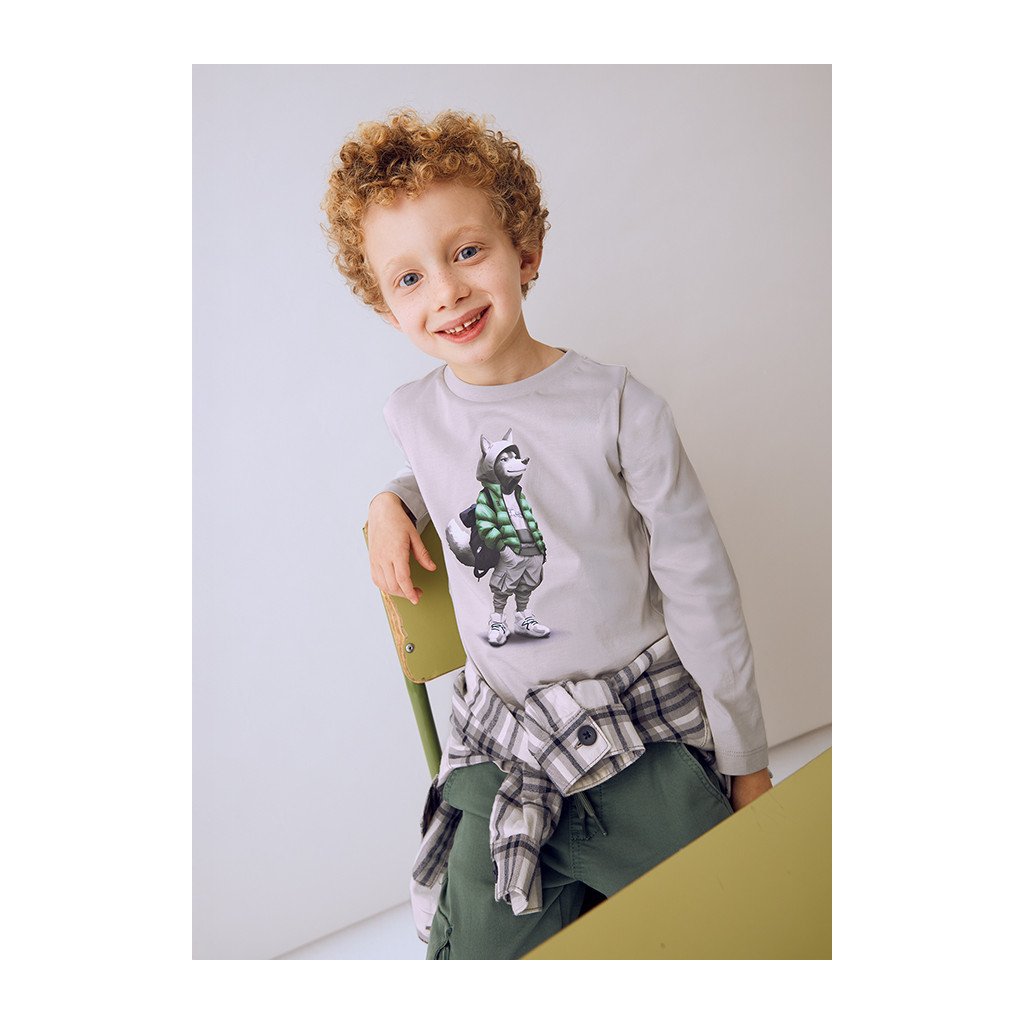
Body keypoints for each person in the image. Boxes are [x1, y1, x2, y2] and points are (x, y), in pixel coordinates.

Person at [321, 109, 772, 959]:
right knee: (473, 963)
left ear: (523, 250)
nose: (446, 292)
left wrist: (746, 761)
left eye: (467, 251)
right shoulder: (412, 414)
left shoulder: (620, 409)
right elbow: (453, 467)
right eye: (409, 277)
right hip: (508, 745)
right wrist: (391, 501)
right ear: (386, 305)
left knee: (738, 934)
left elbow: (704, 592)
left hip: (635, 736)